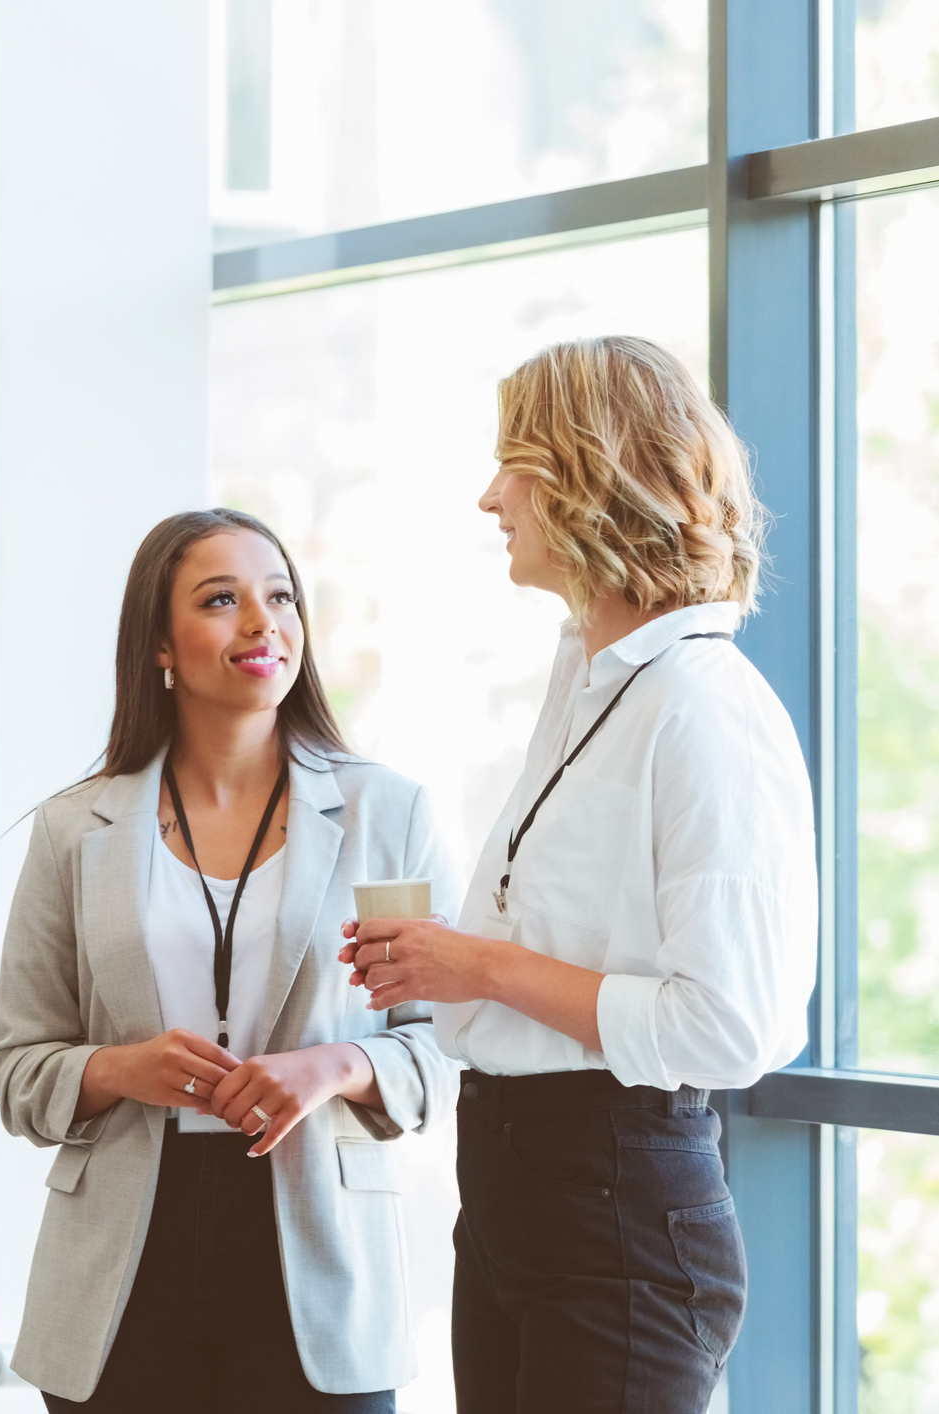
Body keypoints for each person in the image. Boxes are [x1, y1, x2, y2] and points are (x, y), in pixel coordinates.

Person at [342, 336, 816, 1413]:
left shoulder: (702, 707)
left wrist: (488, 968)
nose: (487, 495)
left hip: (617, 1202)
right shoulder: (592, 685)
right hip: (516, 1183)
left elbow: (732, 1027)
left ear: (587, 472)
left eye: (514, 460)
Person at [0, 509, 458, 1411]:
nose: (260, 622)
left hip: (316, 1247)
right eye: (220, 600)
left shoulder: (387, 815)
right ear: (159, 643)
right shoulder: (72, 829)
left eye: (278, 596)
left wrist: (338, 1064)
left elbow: (449, 1041)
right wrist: (122, 1068)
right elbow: (14, 1067)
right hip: (122, 1263)